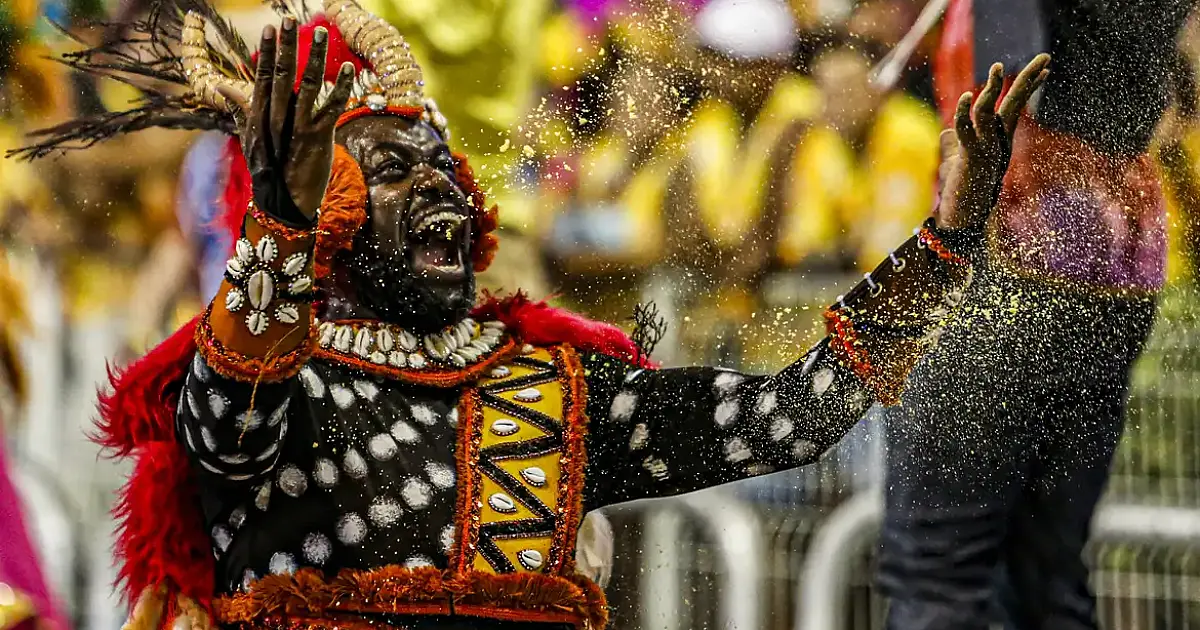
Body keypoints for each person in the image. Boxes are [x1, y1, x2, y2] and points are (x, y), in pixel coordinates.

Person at [12, 1, 1044, 628]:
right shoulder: (280, 382)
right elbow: (224, 427)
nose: (440, 189)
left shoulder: (556, 383)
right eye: (392, 172)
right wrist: (274, 226)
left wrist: (947, 244)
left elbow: (790, 415)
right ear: (328, 214)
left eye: (443, 169)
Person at [878, 1, 1193, 629]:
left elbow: (1016, 72)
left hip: (1015, 240)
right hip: (1121, 249)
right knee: (1048, 571)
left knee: (942, 567)